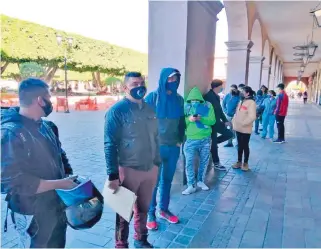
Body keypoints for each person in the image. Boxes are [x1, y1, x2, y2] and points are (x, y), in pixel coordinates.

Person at [1, 78, 77, 248]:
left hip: (55, 205)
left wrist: (69, 175)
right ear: (40, 100)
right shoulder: (10, 133)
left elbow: (60, 154)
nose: (51, 101)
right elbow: (11, 182)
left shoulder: (48, 126)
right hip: (31, 211)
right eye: (49, 97)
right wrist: (60, 183)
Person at [104, 72, 160, 248]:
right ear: (125, 87)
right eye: (135, 83)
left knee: (143, 207)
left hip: (149, 168)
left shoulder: (150, 109)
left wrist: (157, 163)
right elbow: (109, 144)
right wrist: (113, 175)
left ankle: (141, 239)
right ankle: (121, 244)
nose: (139, 87)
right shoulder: (116, 111)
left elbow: (156, 136)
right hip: (128, 169)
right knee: (123, 212)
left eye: (142, 83)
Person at [144, 68, 185, 230]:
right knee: (153, 182)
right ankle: (151, 213)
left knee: (167, 181)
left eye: (176, 79)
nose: (173, 82)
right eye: (170, 79)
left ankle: (164, 209)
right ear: (163, 80)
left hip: (172, 148)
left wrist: (180, 141)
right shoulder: (153, 98)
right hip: (155, 148)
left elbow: (182, 123)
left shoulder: (179, 100)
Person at [182, 87, 215, 195]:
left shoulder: (208, 106)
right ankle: (191, 185)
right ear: (189, 100)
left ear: (201, 100)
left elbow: (213, 121)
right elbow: (181, 123)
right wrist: (189, 119)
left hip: (205, 139)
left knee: (204, 162)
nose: (195, 102)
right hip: (190, 140)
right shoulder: (186, 107)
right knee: (189, 163)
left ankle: (201, 181)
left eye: (197, 100)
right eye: (192, 100)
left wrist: (202, 119)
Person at [204, 79, 233, 171]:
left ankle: (213, 143)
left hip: (218, 122)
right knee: (213, 144)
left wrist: (225, 120)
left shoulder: (216, 96)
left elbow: (220, 110)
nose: (223, 87)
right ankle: (216, 163)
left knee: (229, 134)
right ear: (217, 86)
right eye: (221, 86)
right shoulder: (208, 96)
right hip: (211, 124)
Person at [232, 86, 256, 171]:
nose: (241, 93)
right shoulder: (241, 101)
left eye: (243, 91)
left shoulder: (251, 103)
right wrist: (234, 121)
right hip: (238, 128)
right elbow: (237, 113)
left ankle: (245, 163)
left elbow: (252, 116)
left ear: (248, 93)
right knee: (239, 145)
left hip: (245, 129)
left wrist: (243, 123)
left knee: (245, 145)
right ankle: (239, 162)